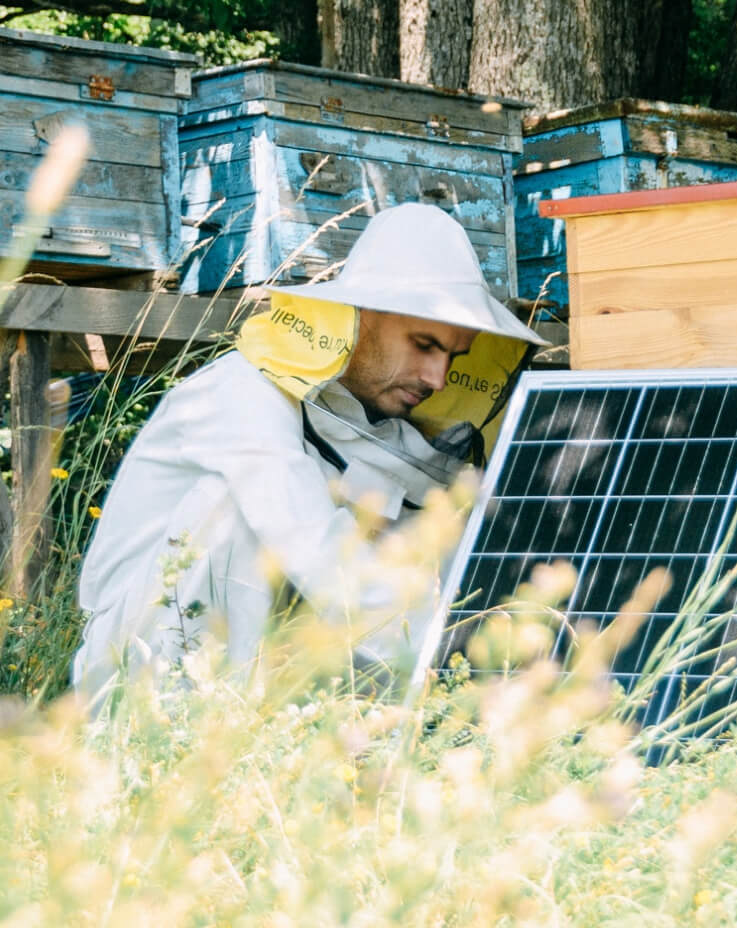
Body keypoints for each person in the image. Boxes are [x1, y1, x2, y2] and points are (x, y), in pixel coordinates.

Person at [70, 203, 544, 706]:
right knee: (234, 510)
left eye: (452, 356)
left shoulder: (364, 422)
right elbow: (311, 545)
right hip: (134, 686)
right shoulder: (240, 393)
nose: (437, 378)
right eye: (424, 344)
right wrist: (447, 667)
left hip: (282, 692)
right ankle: (205, 741)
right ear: (357, 317)